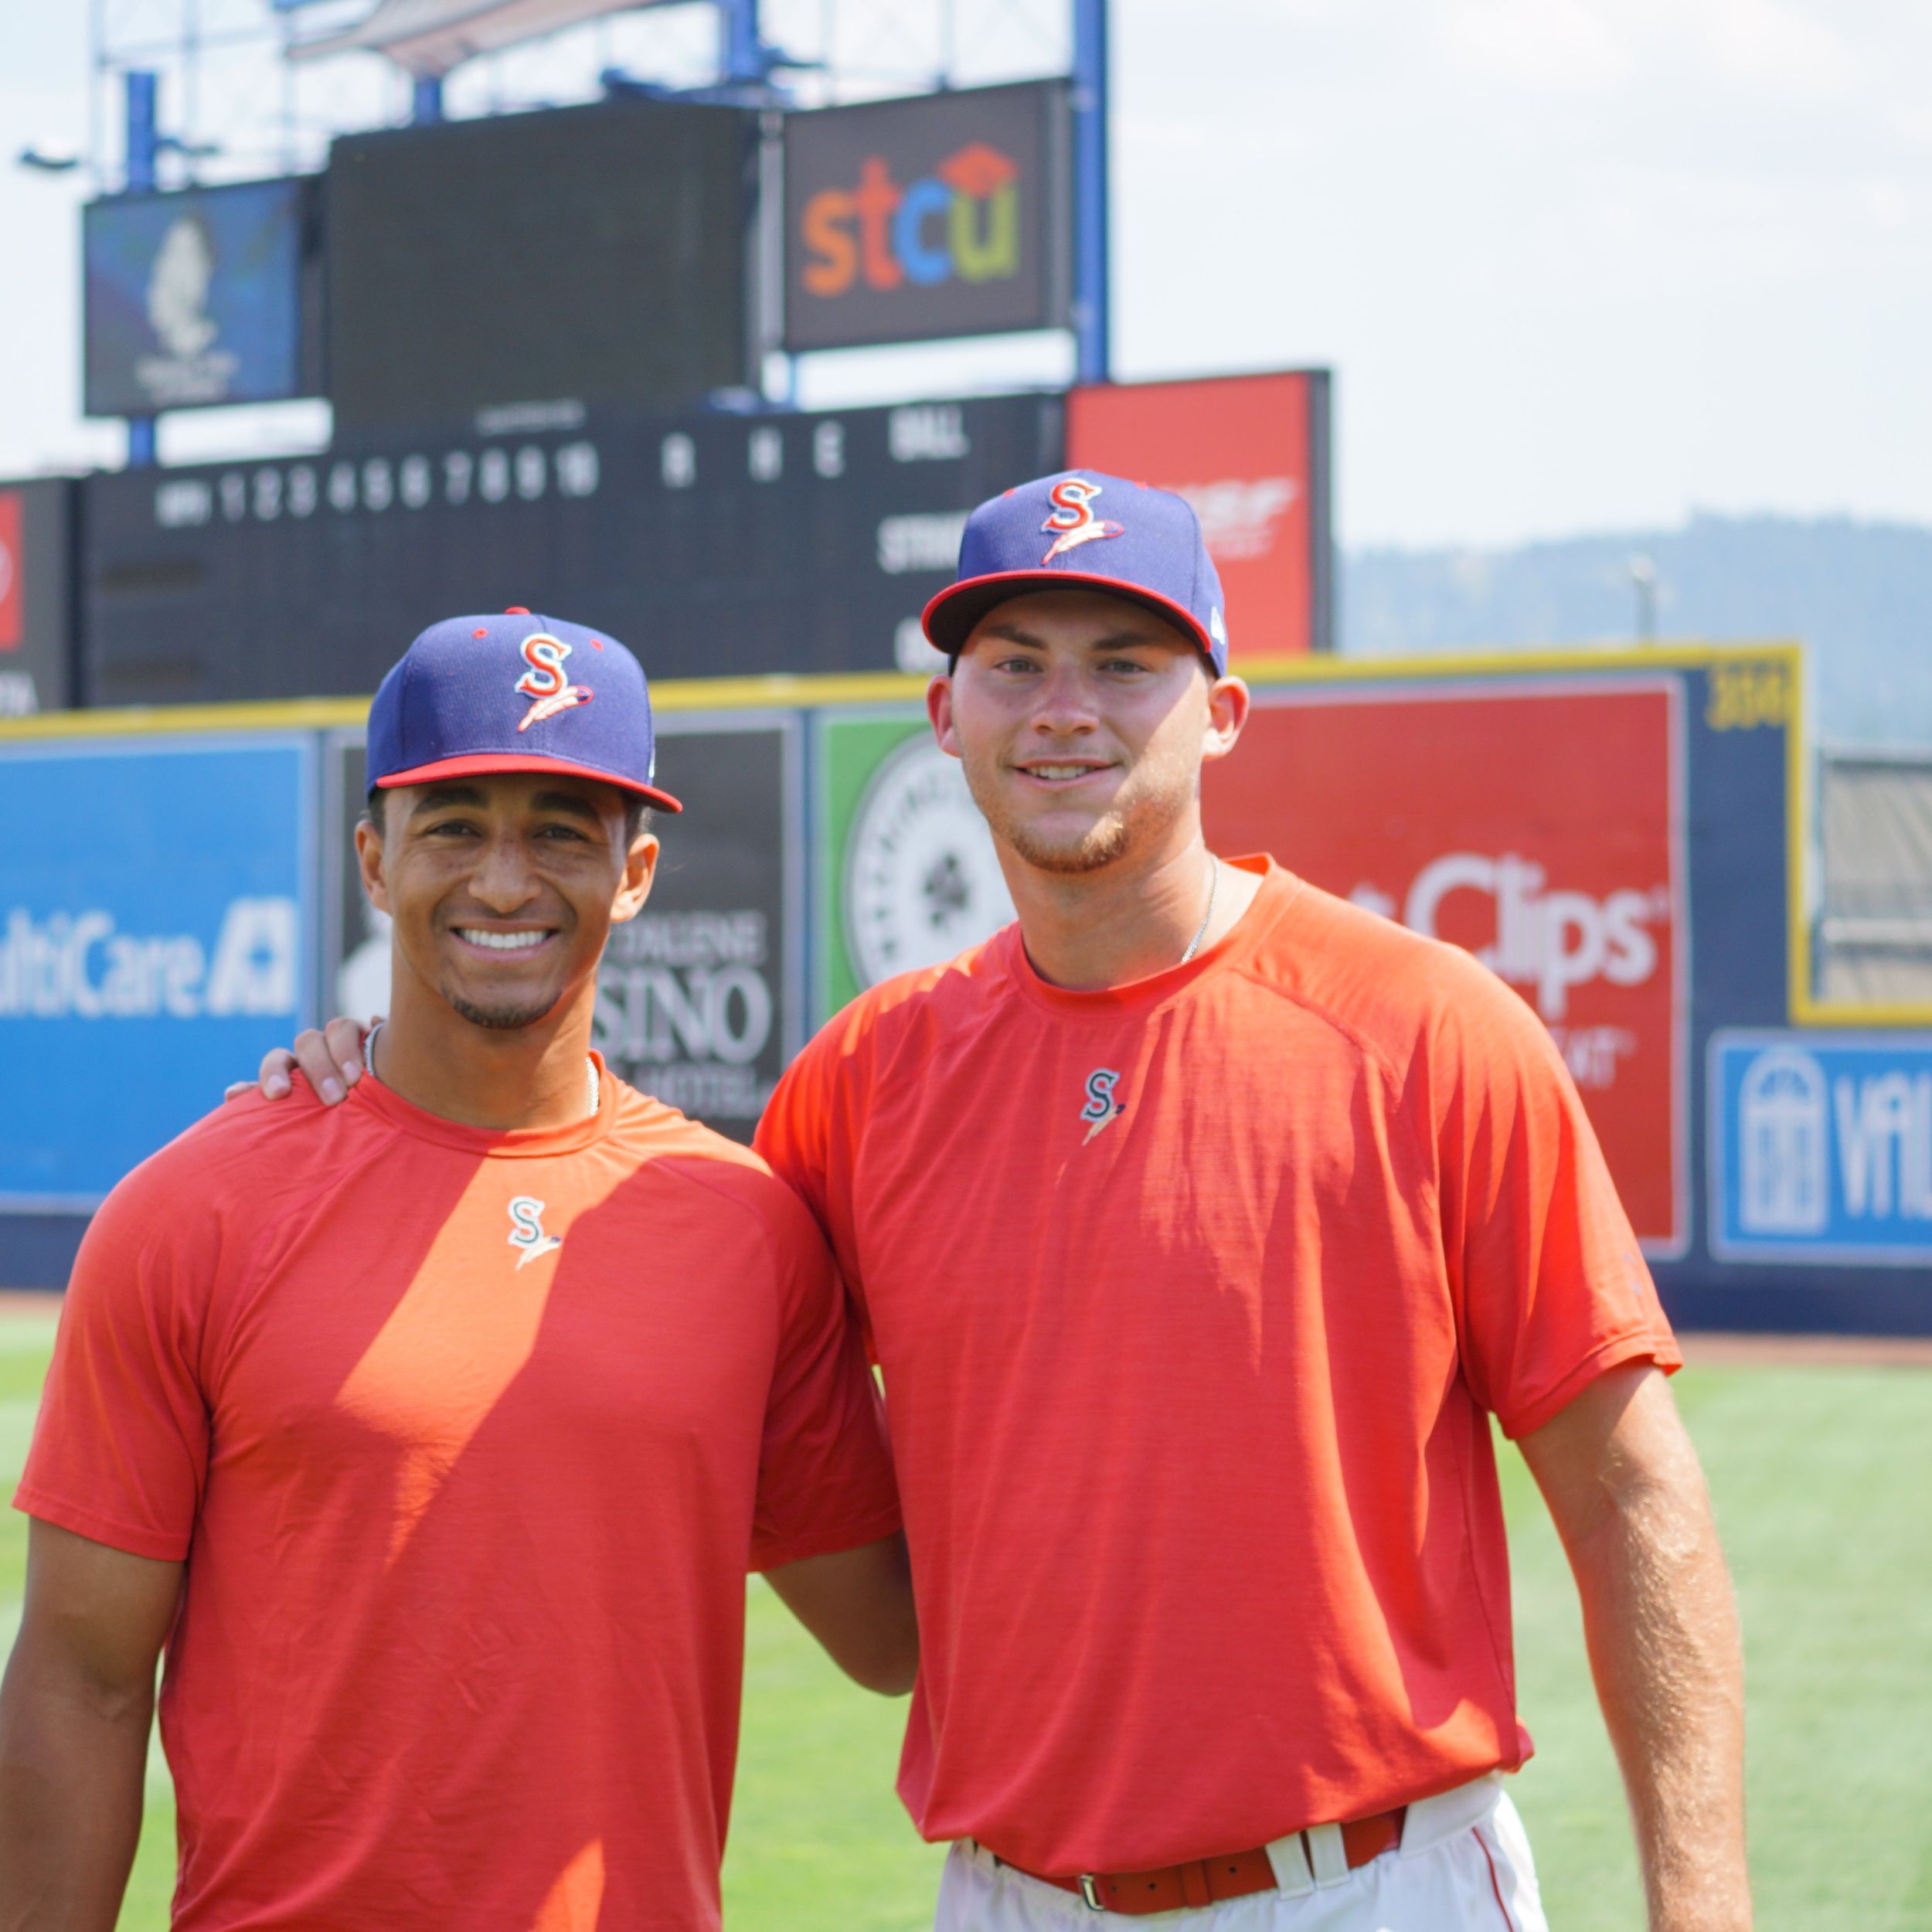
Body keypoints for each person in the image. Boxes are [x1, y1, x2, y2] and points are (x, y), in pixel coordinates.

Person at [257, 481, 1750, 1932]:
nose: (1063, 709)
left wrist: (1704, 1909)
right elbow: (623, 1227)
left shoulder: (1428, 1028)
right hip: (1010, 1891)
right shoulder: (866, 1081)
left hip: (1369, 1883)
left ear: (1220, 711)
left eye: (1125, 663)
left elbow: (1630, 1490)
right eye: (1014, 665)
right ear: (947, 719)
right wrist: (389, 1090)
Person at [1, 611, 913, 1932]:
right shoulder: (190, 1211)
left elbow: (893, 1638)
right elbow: (79, 1680)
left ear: (638, 868)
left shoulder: (742, 1227)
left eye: (558, 827)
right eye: (454, 826)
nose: (503, 880)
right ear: (374, 860)